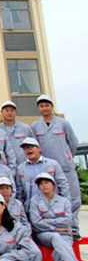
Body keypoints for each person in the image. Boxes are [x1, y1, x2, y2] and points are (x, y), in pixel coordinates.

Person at [31, 96, 81, 237]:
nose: (44, 108)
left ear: (52, 106)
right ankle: (55, 226)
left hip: (65, 166)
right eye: (41, 106)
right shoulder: (35, 126)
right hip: (47, 169)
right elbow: (36, 146)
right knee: (53, 197)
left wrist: (67, 157)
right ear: (39, 109)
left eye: (47, 105)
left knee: (72, 196)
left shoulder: (63, 123)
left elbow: (73, 143)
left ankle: (74, 228)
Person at [29, 173, 87, 261]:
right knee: (56, 237)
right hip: (45, 235)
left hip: (65, 234)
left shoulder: (64, 201)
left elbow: (68, 220)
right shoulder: (34, 201)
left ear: (53, 185)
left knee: (59, 252)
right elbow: (36, 222)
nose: (44, 186)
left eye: (46, 183)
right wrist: (56, 228)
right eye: (41, 184)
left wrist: (48, 221)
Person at [16, 136, 69, 209]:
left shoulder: (53, 164)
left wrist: (65, 204)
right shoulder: (20, 168)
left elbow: (63, 185)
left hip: (52, 206)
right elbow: (20, 191)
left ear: (39, 148)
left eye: (31, 147)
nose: (28, 149)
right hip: (31, 208)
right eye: (25, 148)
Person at [0, 100, 32, 174]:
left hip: (25, 167)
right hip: (7, 169)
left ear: (16, 112)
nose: (9, 113)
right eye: (6, 110)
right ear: (1, 112)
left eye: (12, 111)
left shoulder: (25, 128)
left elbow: (34, 148)